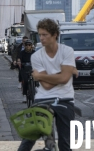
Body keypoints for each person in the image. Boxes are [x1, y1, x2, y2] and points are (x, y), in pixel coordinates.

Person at [17, 18, 78, 151]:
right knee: (28, 138)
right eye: (40, 34)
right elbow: (47, 86)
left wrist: (40, 76)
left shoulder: (67, 51)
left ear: (55, 34)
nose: (42, 38)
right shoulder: (36, 56)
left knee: (65, 143)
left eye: (45, 35)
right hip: (43, 99)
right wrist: (64, 72)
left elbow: (64, 79)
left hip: (65, 99)